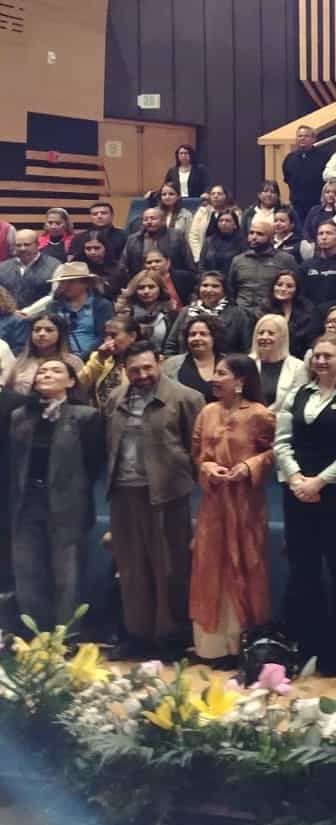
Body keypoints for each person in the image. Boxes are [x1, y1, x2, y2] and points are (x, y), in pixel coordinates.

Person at [273, 332, 336, 676]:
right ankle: (306, 644)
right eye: (316, 356)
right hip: (298, 494)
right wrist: (296, 478)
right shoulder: (298, 394)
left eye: (327, 356)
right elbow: (282, 442)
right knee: (303, 569)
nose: (320, 361)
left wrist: (319, 482)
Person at [104, 341, 205, 659]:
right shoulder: (115, 397)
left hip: (167, 495)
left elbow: (198, 449)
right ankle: (138, 635)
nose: (142, 375)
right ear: (125, 370)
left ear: (159, 362)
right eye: (134, 370)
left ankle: (172, 637)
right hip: (124, 492)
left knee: (170, 568)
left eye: (148, 367)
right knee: (132, 568)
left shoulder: (187, 398)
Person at [188, 354, 275, 662]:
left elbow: (275, 452)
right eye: (215, 373)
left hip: (245, 504)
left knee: (246, 563)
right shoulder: (207, 412)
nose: (214, 379)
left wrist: (249, 466)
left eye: (221, 373)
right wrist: (207, 467)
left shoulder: (260, 414)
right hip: (213, 503)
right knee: (210, 564)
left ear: (240, 381)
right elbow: (196, 452)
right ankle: (211, 646)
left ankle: (242, 644)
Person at [8, 359, 102, 629]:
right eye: (42, 371)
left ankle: (66, 637)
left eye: (55, 370)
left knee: (67, 575)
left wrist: (72, 489)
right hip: (27, 503)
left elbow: (93, 463)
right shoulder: (20, 416)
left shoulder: (85, 416)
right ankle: (36, 635)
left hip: (67, 505)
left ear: (71, 381)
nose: (46, 374)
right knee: (28, 572)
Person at [251, 313, 308, 414]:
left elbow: (294, 403)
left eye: (271, 333)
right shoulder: (247, 363)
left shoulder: (298, 367)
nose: (264, 337)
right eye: (261, 333)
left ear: (282, 337)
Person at [162, 312, 226, 399]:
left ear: (214, 337)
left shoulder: (229, 363)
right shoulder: (171, 365)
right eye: (192, 334)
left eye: (203, 334)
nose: (197, 338)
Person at [0, 230, 60, 309]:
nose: (22, 248)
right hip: (9, 314)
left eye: (27, 245)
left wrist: (27, 312)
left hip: (42, 314)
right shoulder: (2, 267)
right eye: (18, 245)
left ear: (38, 244)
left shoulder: (54, 266)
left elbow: (54, 296)